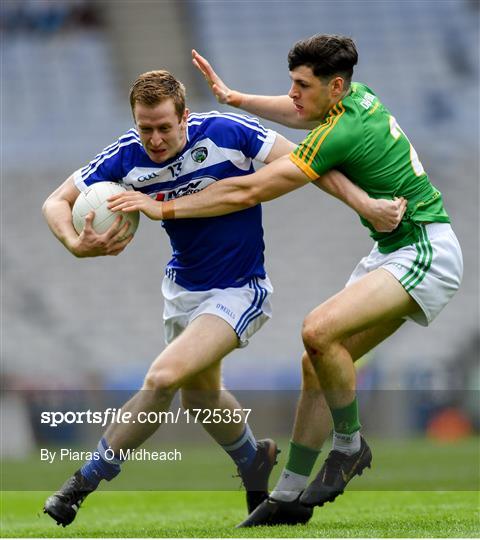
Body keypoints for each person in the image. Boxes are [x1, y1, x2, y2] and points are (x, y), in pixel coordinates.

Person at [108, 35, 463, 528]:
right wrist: (237, 100)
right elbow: (298, 114)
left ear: (333, 86)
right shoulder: (354, 100)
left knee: (318, 330)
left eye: (301, 84)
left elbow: (252, 188)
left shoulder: (342, 131)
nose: (292, 93)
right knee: (315, 362)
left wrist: (161, 206)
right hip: (394, 251)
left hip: (425, 249)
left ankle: (348, 446)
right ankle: (289, 497)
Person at [41, 68, 402, 528]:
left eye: (164, 128)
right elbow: (55, 202)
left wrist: (366, 205)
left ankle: (79, 485)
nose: (153, 139)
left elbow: (311, 164)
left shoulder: (229, 133)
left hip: (240, 289)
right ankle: (253, 459)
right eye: (144, 128)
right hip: (182, 291)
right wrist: (75, 243)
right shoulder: (126, 155)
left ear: (185, 118)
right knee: (201, 396)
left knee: (163, 376)